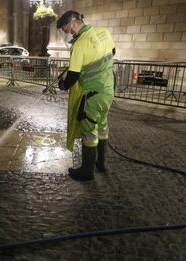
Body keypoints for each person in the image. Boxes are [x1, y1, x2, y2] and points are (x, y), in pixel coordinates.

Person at [56, 10, 115, 181]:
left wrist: (63, 85)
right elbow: (113, 52)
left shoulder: (79, 44)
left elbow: (73, 76)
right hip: (108, 91)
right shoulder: (104, 32)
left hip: (92, 94)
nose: (66, 33)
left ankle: (86, 171)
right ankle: (101, 164)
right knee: (102, 126)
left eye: (66, 29)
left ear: (73, 23)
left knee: (89, 130)